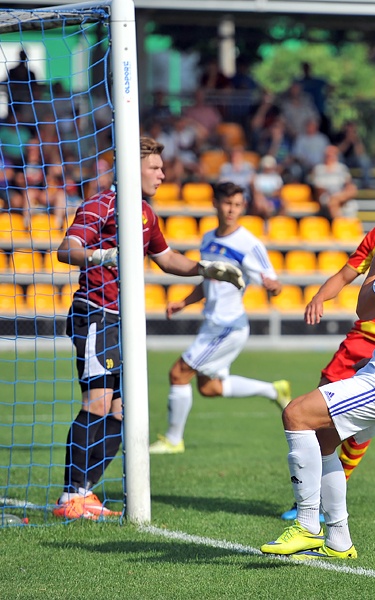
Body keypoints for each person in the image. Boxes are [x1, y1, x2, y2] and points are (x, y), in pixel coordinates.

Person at [52, 136, 245, 520]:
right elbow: (65, 249)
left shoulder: (145, 213)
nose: (162, 173)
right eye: (154, 167)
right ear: (130, 168)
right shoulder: (101, 204)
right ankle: (69, 496)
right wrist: (102, 253)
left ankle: (85, 495)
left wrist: (205, 269)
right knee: (98, 403)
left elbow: (167, 257)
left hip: (125, 322)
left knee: (124, 412)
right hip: (96, 313)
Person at [261, 184, 375, 560]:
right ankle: (339, 541)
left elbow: (364, 309)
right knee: (327, 441)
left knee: (296, 414)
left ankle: (306, 525)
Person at [148, 182, 291, 455]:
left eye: (237, 205)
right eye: (227, 203)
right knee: (209, 387)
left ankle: (173, 440)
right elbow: (207, 279)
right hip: (212, 324)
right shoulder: (208, 239)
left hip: (228, 326)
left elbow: (274, 282)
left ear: (243, 207)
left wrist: (274, 286)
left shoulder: (249, 244)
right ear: (215, 203)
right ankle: (274, 390)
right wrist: (184, 302)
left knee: (178, 374)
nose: (231, 210)